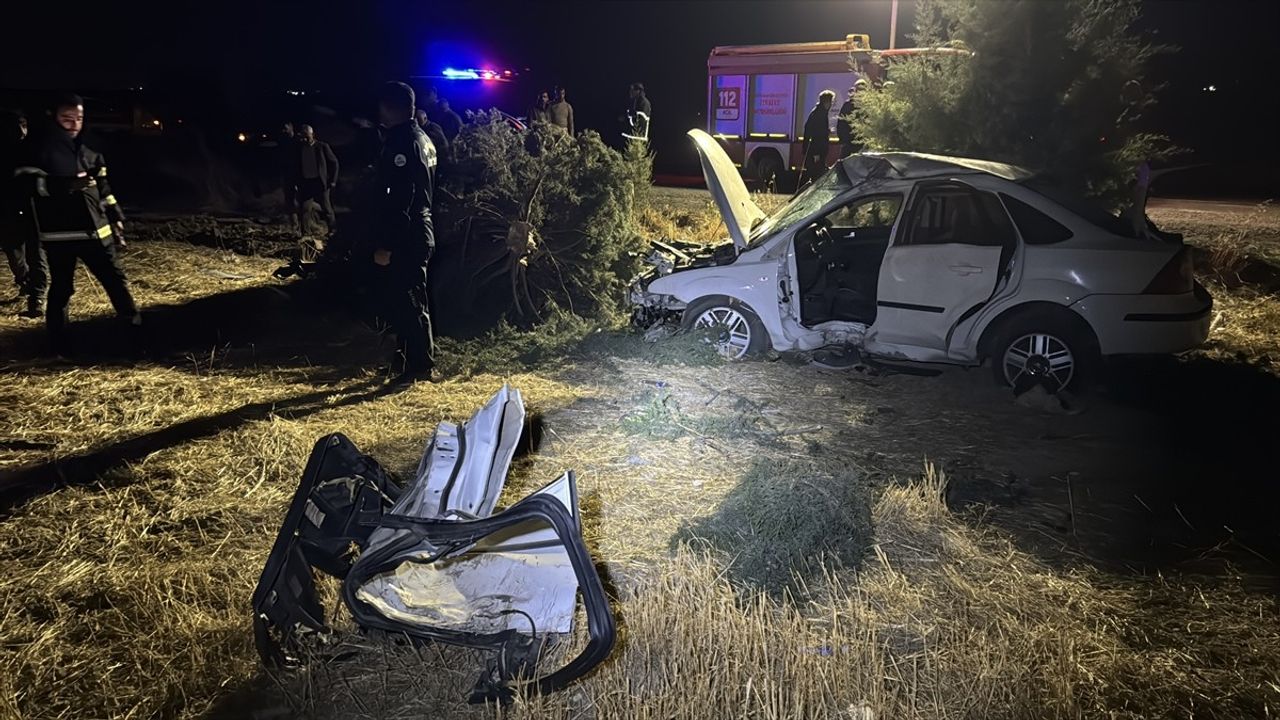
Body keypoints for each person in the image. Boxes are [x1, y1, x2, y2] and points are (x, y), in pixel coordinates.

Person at [17, 94, 140, 356]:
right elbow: (23, 184)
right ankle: (58, 347)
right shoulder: (39, 150)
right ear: (53, 118)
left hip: (98, 233)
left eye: (79, 118)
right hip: (60, 235)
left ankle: (136, 338)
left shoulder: (90, 151)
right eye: (67, 119)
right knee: (62, 288)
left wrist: (115, 215)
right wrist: (64, 186)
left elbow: (104, 188)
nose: (74, 124)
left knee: (116, 281)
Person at [370, 81, 437, 386]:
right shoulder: (423, 138)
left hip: (408, 232)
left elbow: (401, 200)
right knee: (405, 299)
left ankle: (420, 367)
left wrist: (387, 244)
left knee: (411, 301)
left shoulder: (402, 142)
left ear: (391, 106)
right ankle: (408, 359)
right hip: (419, 226)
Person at [2, 109, 44, 318]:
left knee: (35, 252)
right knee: (13, 250)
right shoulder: (5, 149)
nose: (20, 130)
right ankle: (25, 283)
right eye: (16, 124)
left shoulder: (34, 148)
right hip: (8, 206)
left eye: (24, 124)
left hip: (32, 206)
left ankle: (37, 298)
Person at [294, 124, 340, 232]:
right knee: (304, 209)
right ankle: (305, 233)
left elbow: (334, 163)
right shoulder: (299, 149)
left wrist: (333, 180)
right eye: (303, 136)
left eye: (307, 136)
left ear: (312, 134)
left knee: (327, 208)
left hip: (320, 183)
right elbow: (296, 167)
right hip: (306, 183)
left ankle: (333, 231)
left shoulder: (322, 146)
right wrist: (297, 182)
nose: (305, 138)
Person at [798, 90, 836, 192]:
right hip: (816, 152)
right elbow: (813, 134)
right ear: (825, 102)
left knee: (818, 177)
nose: (831, 104)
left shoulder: (821, 112)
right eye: (830, 102)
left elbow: (819, 131)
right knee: (816, 178)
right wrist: (815, 153)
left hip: (820, 151)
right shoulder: (818, 114)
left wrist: (827, 131)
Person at [835, 80, 868, 159]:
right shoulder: (848, 105)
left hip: (862, 145)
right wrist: (844, 142)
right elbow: (841, 124)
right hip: (850, 144)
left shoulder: (868, 106)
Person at [277, 122, 298, 224]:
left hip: (298, 174)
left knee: (304, 200)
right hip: (288, 175)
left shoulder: (298, 141)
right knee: (289, 199)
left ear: (291, 127)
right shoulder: (283, 142)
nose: (284, 131)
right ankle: (294, 223)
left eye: (286, 128)